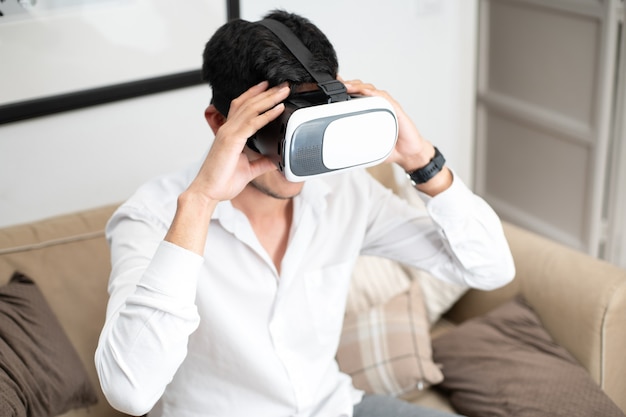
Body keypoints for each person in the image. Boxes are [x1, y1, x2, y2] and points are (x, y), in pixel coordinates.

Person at [95, 9, 515, 417]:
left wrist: (421, 158)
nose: (298, 155)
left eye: (310, 123)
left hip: (332, 406)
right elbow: (130, 392)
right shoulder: (151, 217)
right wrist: (201, 202)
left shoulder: (346, 192)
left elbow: (490, 270)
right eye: (275, 125)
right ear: (219, 123)